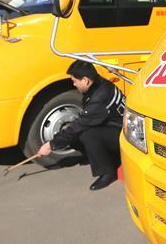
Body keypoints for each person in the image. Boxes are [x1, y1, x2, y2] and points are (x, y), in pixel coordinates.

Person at [37, 60, 125, 190]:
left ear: (85, 80)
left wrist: (51, 144)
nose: (73, 84)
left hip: (122, 135)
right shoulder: (101, 84)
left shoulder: (98, 99)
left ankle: (108, 172)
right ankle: (98, 155)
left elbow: (78, 126)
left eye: (74, 81)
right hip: (114, 126)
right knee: (76, 132)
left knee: (88, 134)